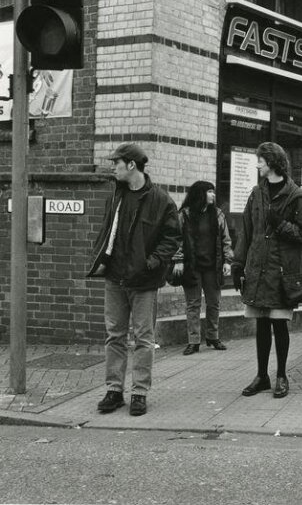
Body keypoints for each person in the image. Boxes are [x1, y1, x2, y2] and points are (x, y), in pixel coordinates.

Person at [87, 144, 181, 416]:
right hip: (115, 278)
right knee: (114, 335)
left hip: (144, 281)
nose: (112, 167)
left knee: (143, 337)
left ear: (131, 165)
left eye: (116, 162)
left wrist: (151, 263)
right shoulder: (116, 195)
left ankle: (139, 392)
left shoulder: (161, 200)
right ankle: (114, 390)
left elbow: (172, 238)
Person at [231, 142, 302, 399]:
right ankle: (261, 376)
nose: (257, 165)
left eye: (261, 161)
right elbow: (246, 230)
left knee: (279, 325)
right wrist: (238, 263)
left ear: (273, 163)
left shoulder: (294, 195)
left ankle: (281, 376)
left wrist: (281, 225)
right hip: (258, 270)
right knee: (261, 325)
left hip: (281, 272)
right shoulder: (256, 193)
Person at [171, 181, 234, 355]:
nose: (214, 195)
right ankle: (194, 341)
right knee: (193, 304)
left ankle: (213, 337)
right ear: (201, 194)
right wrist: (178, 260)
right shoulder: (185, 214)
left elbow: (226, 240)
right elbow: (176, 239)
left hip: (213, 267)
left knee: (214, 303)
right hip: (192, 267)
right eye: (210, 192)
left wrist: (228, 261)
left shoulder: (218, 214)